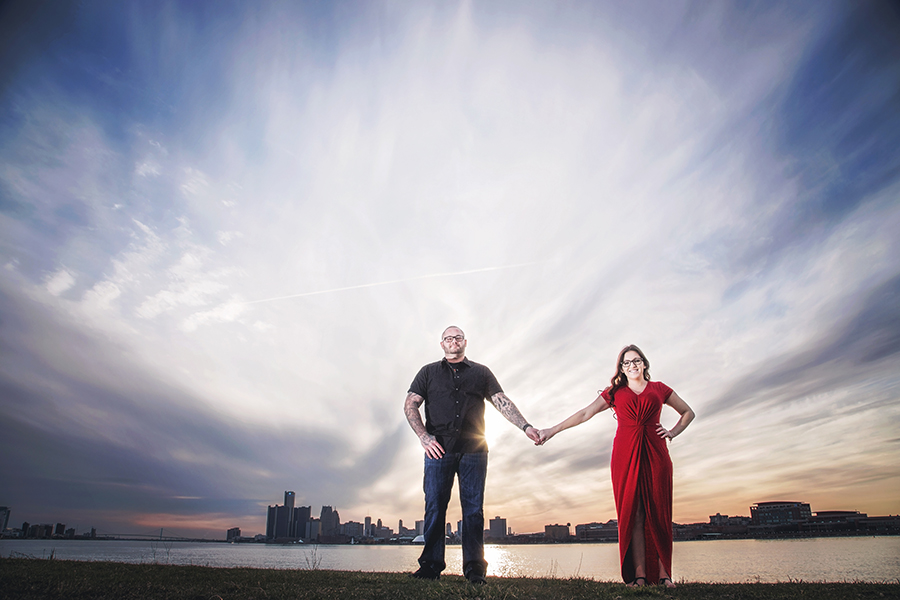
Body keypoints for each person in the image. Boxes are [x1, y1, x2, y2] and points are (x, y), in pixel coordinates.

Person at [536, 345, 694, 588]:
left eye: (636, 361)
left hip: (656, 453)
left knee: (660, 512)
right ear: (621, 368)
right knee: (634, 512)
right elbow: (586, 413)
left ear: (644, 363)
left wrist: (672, 432)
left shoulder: (659, 389)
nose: (632, 365)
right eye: (627, 362)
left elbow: (688, 413)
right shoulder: (615, 392)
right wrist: (551, 431)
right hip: (625, 454)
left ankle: (665, 576)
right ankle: (639, 576)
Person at [404, 326, 541, 584]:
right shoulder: (428, 372)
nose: (453, 341)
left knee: (473, 511)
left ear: (464, 342)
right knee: (434, 506)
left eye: (458, 337)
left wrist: (526, 426)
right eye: (448, 338)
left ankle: (475, 570)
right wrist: (424, 437)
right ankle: (431, 566)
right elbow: (410, 403)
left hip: (475, 450)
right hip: (438, 450)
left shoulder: (481, 372)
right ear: (441, 344)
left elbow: (502, 401)